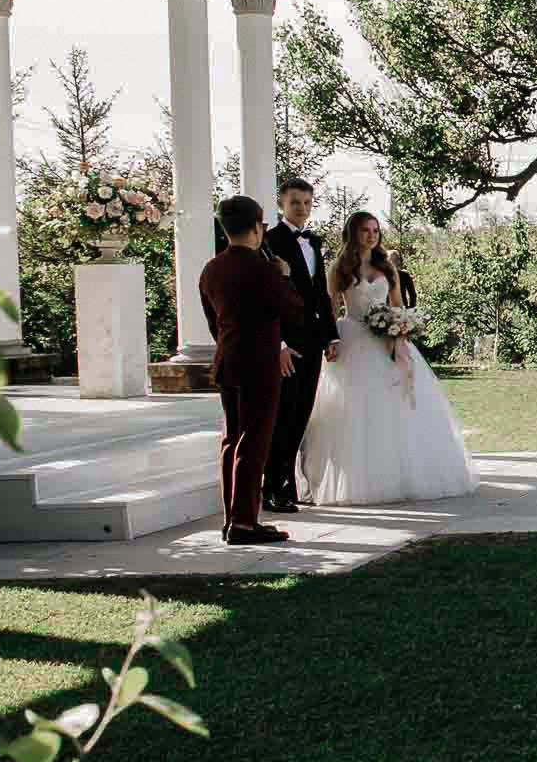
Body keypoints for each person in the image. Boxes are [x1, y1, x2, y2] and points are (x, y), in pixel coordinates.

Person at [299, 211, 479, 506]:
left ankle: (403, 473)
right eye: (364, 230)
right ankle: (358, 480)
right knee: (355, 409)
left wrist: (399, 330)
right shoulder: (340, 268)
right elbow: (330, 309)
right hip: (353, 337)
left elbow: (397, 305)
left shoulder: (387, 268)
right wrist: (328, 341)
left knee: (398, 404)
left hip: (387, 340)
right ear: (352, 233)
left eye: (375, 230)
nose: (371, 235)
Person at [199, 194, 302, 545]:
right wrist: (285, 277)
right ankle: (244, 522)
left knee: (232, 440)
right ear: (258, 227)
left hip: (228, 360)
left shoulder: (211, 269)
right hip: (259, 364)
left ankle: (232, 518)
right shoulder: (262, 267)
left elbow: (214, 322)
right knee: (254, 442)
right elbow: (293, 310)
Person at [260, 176, 338, 516]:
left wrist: (331, 335)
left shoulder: (314, 242)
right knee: (282, 415)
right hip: (285, 345)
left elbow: (321, 293)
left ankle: (287, 484)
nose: (302, 209)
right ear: (281, 204)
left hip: (311, 341)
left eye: (307, 203)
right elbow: (266, 299)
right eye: (295, 203)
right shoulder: (270, 242)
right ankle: (272, 487)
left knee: (300, 415)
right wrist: (276, 343)